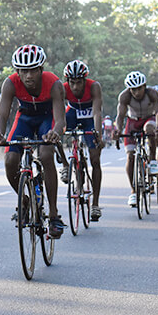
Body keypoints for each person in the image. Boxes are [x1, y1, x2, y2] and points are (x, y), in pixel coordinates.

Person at [0, 45, 67, 238]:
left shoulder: (54, 84)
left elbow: (61, 119)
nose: (28, 75)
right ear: (17, 72)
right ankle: (23, 200)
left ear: (41, 69)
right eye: (24, 71)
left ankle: (54, 214)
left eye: (32, 70)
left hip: (47, 120)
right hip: (24, 120)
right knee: (10, 160)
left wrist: (55, 133)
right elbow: (3, 114)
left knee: (46, 155)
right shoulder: (10, 83)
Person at [60, 59, 104, 221]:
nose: (76, 87)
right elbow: (56, 112)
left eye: (79, 82)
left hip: (89, 116)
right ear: (67, 81)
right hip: (72, 112)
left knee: (95, 160)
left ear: (85, 80)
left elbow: (97, 112)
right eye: (72, 82)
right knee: (55, 133)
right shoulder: (62, 89)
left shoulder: (94, 87)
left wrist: (97, 134)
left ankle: (95, 205)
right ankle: (66, 165)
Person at [113, 71, 158, 207]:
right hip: (132, 122)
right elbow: (120, 116)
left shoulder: (152, 94)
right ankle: (133, 191)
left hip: (149, 119)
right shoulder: (124, 96)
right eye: (133, 89)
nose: (136, 92)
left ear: (144, 86)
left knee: (150, 130)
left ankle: (152, 160)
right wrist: (117, 129)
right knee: (130, 156)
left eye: (139, 88)